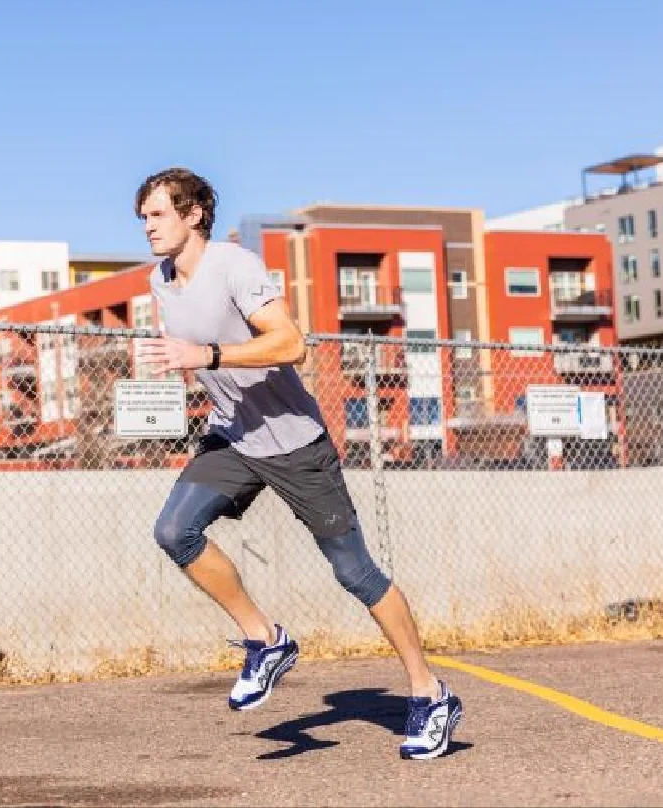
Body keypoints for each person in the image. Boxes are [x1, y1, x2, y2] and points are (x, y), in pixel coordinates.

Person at [134, 167, 462, 760]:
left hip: (293, 442)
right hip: (233, 438)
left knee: (355, 573)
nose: (148, 226)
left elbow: (290, 344)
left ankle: (429, 692)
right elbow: (205, 357)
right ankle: (265, 639)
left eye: (158, 214)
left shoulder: (234, 265)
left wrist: (205, 353)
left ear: (194, 214)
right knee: (174, 530)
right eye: (144, 217)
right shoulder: (160, 280)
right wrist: (190, 372)